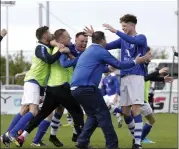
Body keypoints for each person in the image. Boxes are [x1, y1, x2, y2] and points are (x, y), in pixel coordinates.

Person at [70, 31, 151, 149]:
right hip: (87, 88)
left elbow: (97, 67)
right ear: (102, 40)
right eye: (105, 40)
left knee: (93, 115)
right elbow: (119, 64)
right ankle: (112, 145)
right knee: (104, 115)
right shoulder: (101, 51)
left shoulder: (88, 51)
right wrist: (135, 61)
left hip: (75, 89)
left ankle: (82, 141)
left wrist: (108, 67)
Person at [15, 29, 84, 147]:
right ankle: (82, 142)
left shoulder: (57, 47)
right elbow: (64, 64)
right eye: (68, 37)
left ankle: (23, 136)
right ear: (61, 39)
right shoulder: (60, 49)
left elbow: (56, 43)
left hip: (52, 88)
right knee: (78, 113)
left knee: (42, 114)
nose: (70, 40)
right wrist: (78, 59)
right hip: (62, 87)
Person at [2, 26, 63, 147]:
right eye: (49, 33)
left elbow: (52, 46)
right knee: (34, 111)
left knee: (24, 110)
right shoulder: (40, 47)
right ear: (44, 36)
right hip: (33, 81)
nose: (51, 34)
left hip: (35, 82)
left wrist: (55, 43)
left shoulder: (46, 46)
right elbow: (49, 60)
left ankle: (5, 135)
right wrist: (60, 51)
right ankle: (12, 134)